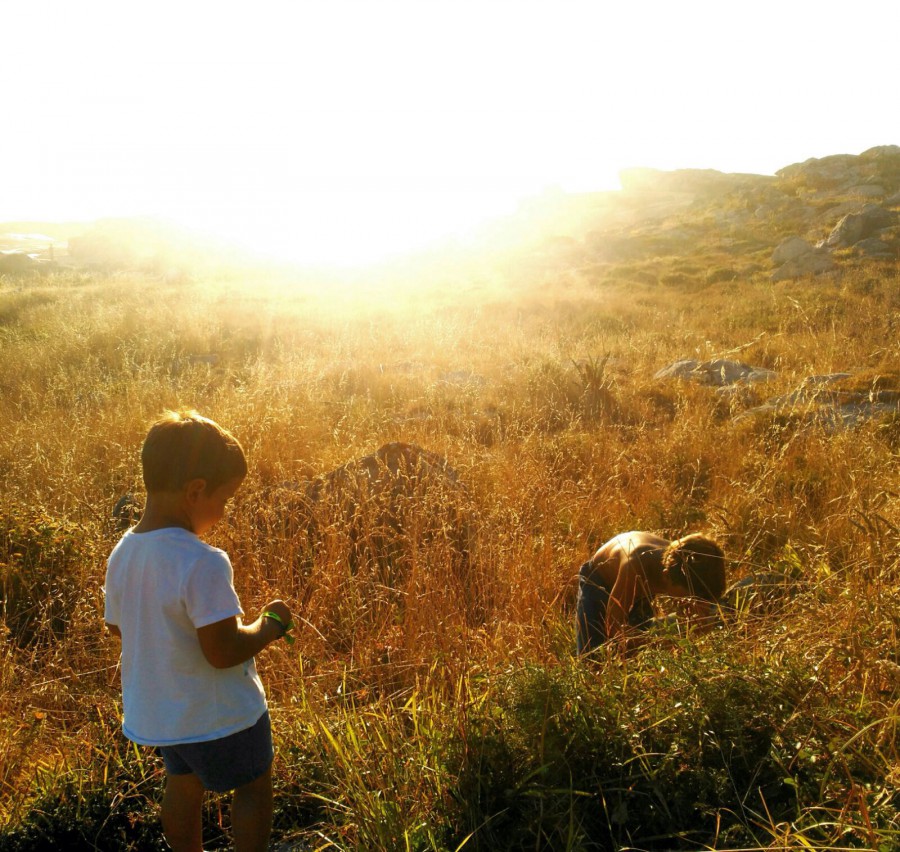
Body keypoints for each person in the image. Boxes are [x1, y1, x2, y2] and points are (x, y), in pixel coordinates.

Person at [104, 410, 294, 852]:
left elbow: (118, 627)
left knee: (183, 784)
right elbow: (223, 651)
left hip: (161, 716)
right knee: (252, 785)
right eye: (224, 500)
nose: (223, 513)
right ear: (196, 491)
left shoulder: (123, 554)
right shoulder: (203, 561)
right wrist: (269, 626)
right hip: (220, 717)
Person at [576, 531, 725, 654]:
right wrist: (657, 643)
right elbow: (613, 625)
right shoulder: (635, 566)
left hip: (643, 589)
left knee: (637, 643)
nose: (688, 602)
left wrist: (699, 623)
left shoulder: (688, 566)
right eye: (688, 597)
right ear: (666, 576)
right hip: (599, 581)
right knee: (593, 655)